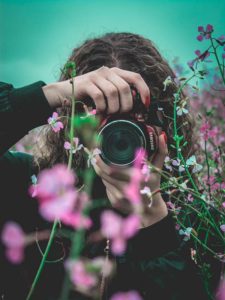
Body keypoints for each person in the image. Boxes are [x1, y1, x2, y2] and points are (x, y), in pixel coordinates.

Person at [0, 32, 208, 300]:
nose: (118, 132)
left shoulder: (195, 220)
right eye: (99, 115)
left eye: (138, 117)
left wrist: (153, 218)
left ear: (166, 122)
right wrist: (49, 95)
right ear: (69, 117)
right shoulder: (27, 185)